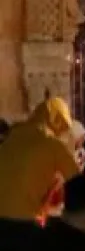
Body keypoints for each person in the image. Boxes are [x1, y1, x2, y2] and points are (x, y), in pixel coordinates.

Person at [0, 97, 79, 227]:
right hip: (26, 221)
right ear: (57, 121)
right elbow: (79, 184)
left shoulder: (11, 137)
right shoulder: (53, 144)